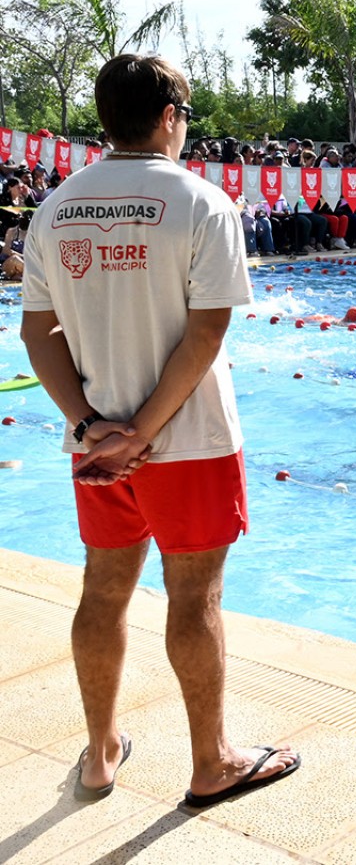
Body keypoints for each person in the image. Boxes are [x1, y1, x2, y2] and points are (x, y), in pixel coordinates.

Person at [20, 54, 300, 807]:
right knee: (194, 597)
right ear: (171, 117)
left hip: (95, 448)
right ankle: (212, 762)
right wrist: (143, 432)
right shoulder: (202, 203)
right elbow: (206, 334)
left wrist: (91, 426)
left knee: (103, 591)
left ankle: (101, 751)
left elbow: (38, 335)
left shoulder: (56, 207)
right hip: (191, 444)